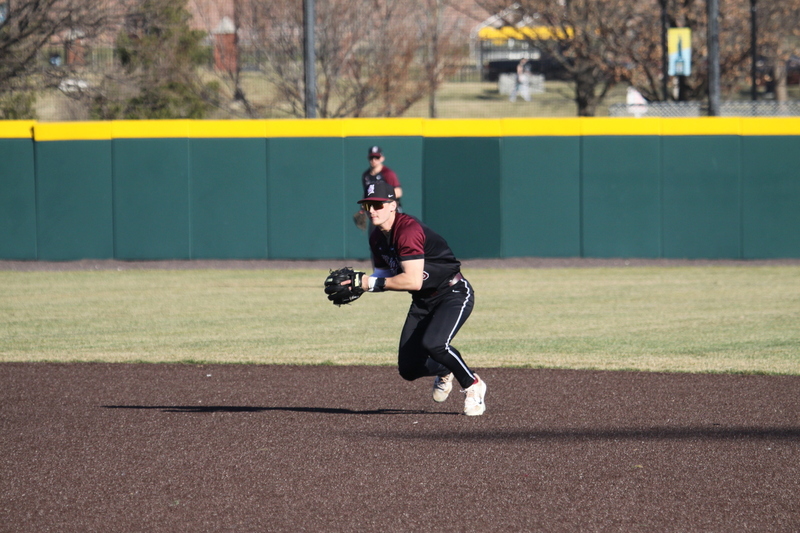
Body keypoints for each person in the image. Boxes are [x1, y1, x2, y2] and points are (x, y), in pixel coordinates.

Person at [354, 180, 487, 416]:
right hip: (423, 300)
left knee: (435, 344)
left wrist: (369, 282)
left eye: (378, 204)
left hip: (452, 292)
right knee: (408, 368)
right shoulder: (376, 237)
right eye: (368, 205)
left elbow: (412, 280)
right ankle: (445, 369)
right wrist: (359, 285)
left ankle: (473, 385)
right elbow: (384, 276)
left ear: (392, 205)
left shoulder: (408, 230)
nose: (372, 210)